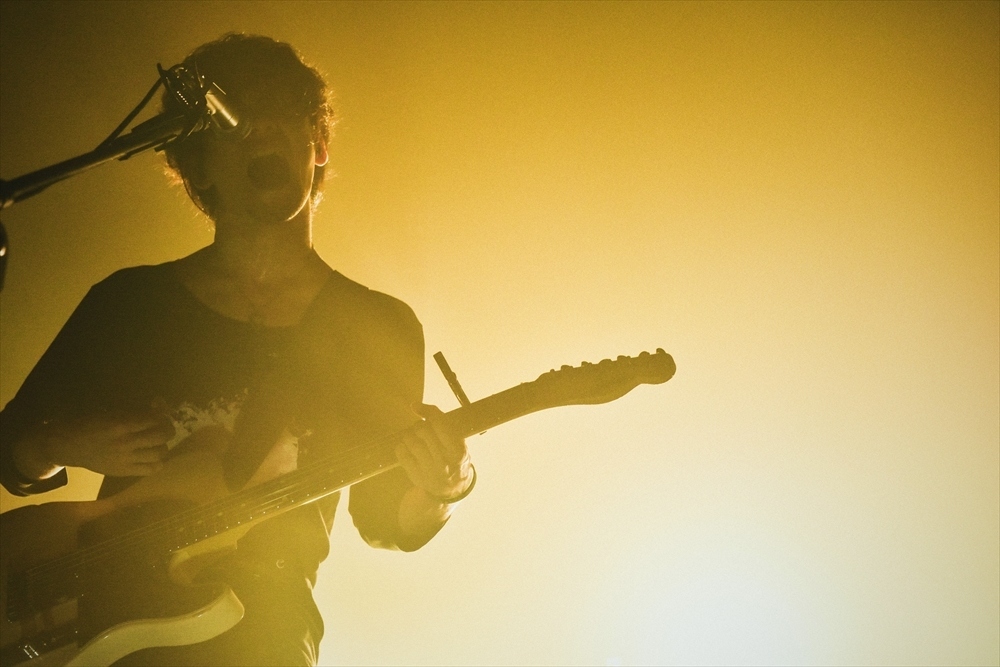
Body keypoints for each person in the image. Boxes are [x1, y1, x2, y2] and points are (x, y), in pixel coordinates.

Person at [0, 33, 475, 666]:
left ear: (319, 145)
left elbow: (386, 521)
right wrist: (57, 443)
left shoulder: (376, 325)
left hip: (269, 634)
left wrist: (442, 485)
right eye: (235, 120)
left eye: (285, 116)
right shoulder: (130, 302)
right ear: (197, 167)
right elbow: (11, 450)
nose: (262, 134)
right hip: (102, 624)